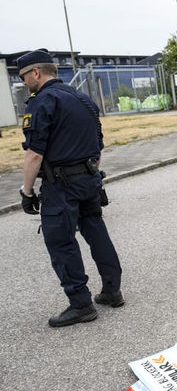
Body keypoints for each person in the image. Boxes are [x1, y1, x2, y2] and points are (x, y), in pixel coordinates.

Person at [16, 49, 123, 328]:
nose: (24, 82)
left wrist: (27, 191)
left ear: (36, 72)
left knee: (61, 242)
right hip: (89, 179)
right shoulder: (83, 98)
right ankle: (112, 290)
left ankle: (80, 304)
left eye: (24, 76)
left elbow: (34, 154)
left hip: (61, 185)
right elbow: (99, 144)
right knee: (96, 232)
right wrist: (91, 173)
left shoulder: (42, 101)